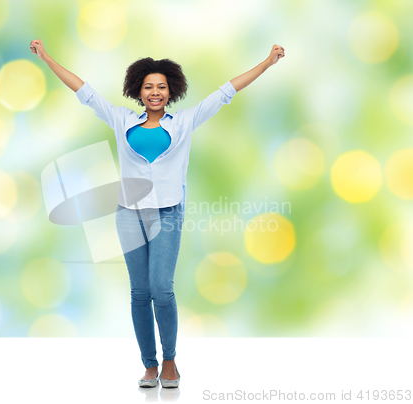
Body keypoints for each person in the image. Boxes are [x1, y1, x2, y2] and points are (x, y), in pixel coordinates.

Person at [30, 39, 285, 388]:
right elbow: (84, 91)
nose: (154, 92)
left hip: (167, 213)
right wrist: (47, 58)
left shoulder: (183, 123)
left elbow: (226, 91)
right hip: (128, 214)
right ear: (138, 90)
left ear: (171, 91)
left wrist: (266, 63)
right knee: (139, 292)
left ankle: (169, 362)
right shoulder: (121, 120)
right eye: (148, 87)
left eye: (161, 87)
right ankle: (148, 365)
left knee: (161, 289)